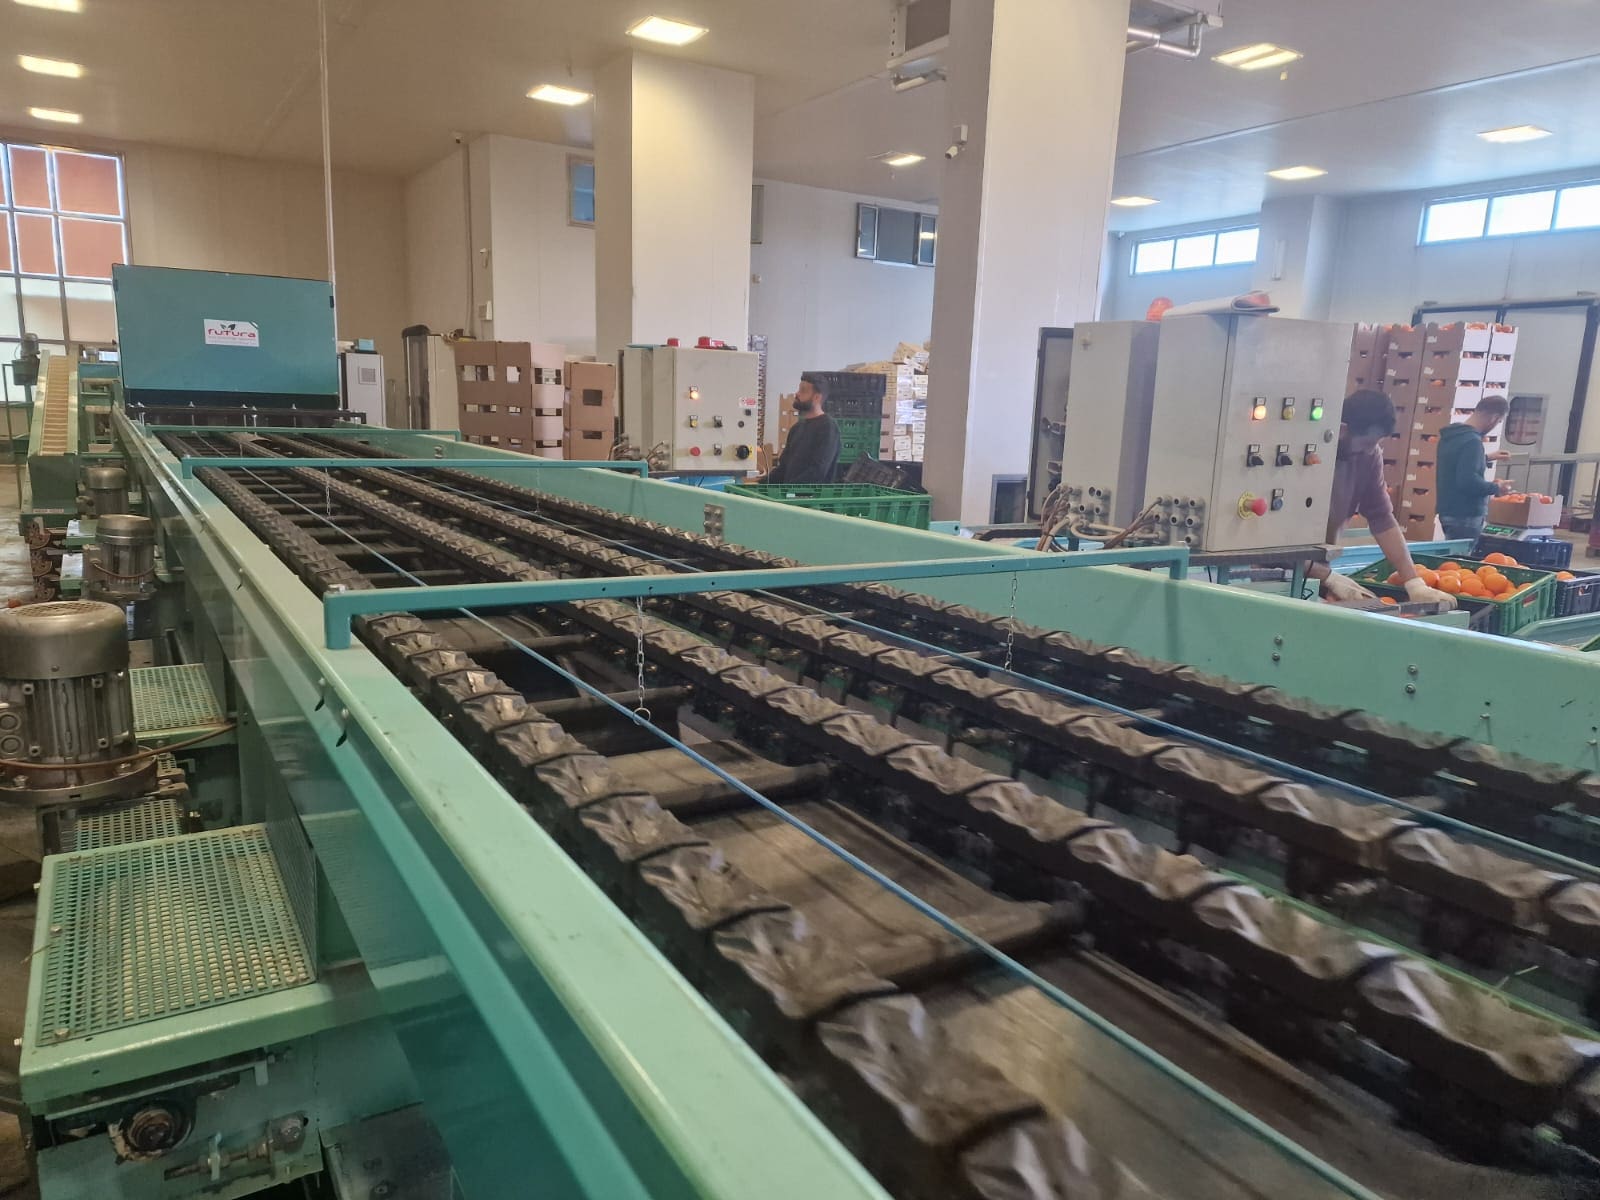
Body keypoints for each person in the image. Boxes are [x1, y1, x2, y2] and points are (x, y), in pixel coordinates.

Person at [1309, 389, 1456, 608]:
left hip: (1317, 570)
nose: (1371, 450)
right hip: (1273, 570)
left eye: (1376, 443)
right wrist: (1327, 577)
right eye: (1366, 443)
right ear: (1342, 430)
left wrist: (1414, 583)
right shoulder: (1308, 453)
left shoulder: (1368, 457)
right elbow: (1271, 545)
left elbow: (1381, 518)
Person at [1436, 394, 1512, 544]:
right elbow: (1468, 482)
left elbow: (1455, 463)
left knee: (1453, 554)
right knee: (1463, 556)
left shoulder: (1452, 436)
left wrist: (1486, 457)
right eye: (1499, 421)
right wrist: (1497, 487)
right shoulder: (1473, 442)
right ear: (1494, 418)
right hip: (1466, 514)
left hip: (1448, 510)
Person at [766, 373, 841, 485]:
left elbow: (818, 471)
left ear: (817, 397)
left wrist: (790, 489)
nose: (797, 394)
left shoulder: (828, 428)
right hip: (790, 493)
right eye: (799, 389)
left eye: (803, 391)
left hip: (811, 495)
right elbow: (783, 468)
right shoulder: (796, 428)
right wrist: (759, 484)